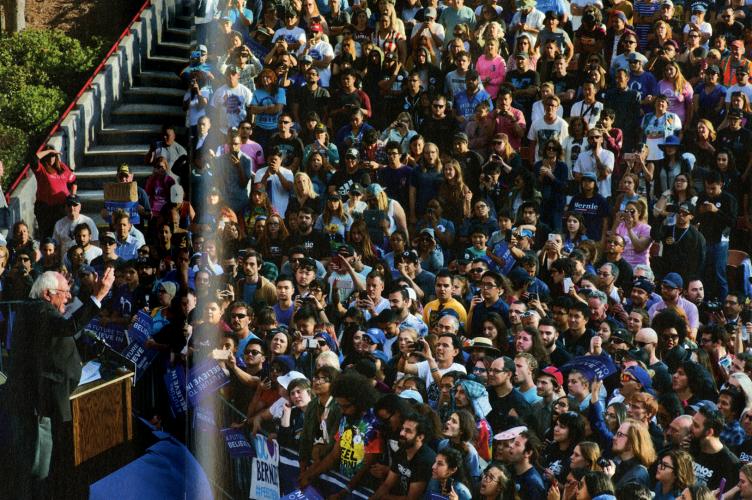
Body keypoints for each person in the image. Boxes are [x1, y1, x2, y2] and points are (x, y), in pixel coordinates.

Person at [2, 268, 115, 499]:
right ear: (47, 294)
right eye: (63, 292)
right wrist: (99, 296)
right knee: (39, 463)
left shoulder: (39, 310)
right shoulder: (39, 311)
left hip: (46, 399)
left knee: (44, 459)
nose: (68, 297)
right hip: (38, 404)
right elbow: (68, 327)